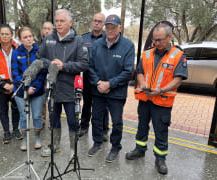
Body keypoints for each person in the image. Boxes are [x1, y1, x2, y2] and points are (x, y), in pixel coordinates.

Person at [125, 23, 188, 175]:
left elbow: (178, 79)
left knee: (161, 130)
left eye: (160, 40)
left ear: (170, 37)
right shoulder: (147, 53)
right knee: (142, 126)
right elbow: (139, 72)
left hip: (162, 100)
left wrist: (160, 90)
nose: (157, 43)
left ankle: (160, 158)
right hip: (145, 99)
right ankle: (139, 149)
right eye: (155, 40)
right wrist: (143, 83)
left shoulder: (178, 55)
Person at [37, 9, 89, 158]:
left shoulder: (78, 40)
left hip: (70, 89)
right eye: (57, 21)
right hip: (53, 87)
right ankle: (55, 145)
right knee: (54, 118)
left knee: (73, 121)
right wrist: (51, 64)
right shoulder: (48, 39)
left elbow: (84, 64)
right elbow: (39, 58)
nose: (58, 24)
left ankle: (73, 149)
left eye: (62, 21)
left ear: (70, 22)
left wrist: (63, 66)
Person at [88, 14, 135, 163]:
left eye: (113, 27)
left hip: (116, 93)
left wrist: (110, 84)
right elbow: (89, 67)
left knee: (117, 122)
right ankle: (97, 142)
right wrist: (98, 83)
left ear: (119, 28)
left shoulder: (128, 45)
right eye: (107, 27)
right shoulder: (96, 45)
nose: (109, 30)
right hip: (98, 90)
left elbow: (128, 72)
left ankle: (115, 146)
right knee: (96, 118)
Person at [11, 27, 47, 151]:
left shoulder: (40, 51)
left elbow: (43, 72)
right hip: (21, 92)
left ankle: (37, 137)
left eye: (30, 36)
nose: (28, 39)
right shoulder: (16, 52)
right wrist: (25, 86)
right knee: (23, 116)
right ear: (20, 39)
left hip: (37, 91)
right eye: (25, 37)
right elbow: (14, 72)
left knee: (37, 116)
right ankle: (25, 139)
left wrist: (34, 87)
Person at [0, 24, 22, 144]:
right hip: (0, 85)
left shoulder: (18, 49)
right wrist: (3, 84)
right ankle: (6, 131)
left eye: (7, 34)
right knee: (3, 109)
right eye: (2, 34)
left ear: (11, 35)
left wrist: (14, 84)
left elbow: (23, 68)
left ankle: (16, 129)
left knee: (16, 109)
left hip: (15, 83)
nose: (5, 36)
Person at [80, 13, 110, 140]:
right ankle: (84, 126)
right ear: (92, 22)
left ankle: (104, 130)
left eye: (100, 21)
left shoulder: (108, 39)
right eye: (95, 20)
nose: (97, 23)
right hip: (87, 77)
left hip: (102, 77)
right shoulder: (83, 38)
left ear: (103, 24)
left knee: (103, 105)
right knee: (87, 103)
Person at [36, 22, 54, 129]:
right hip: (41, 75)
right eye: (44, 28)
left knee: (52, 100)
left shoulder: (56, 43)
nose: (46, 31)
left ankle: (52, 121)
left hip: (52, 75)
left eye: (49, 29)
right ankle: (42, 120)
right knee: (41, 99)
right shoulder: (37, 44)